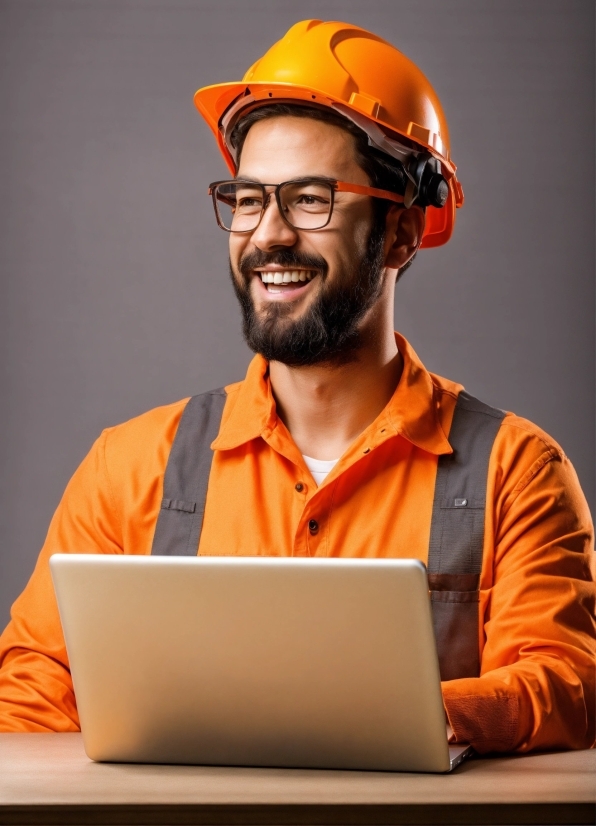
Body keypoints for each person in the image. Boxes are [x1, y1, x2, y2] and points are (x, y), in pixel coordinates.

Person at [0, 19, 594, 753]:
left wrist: (381, 711)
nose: (269, 234)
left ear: (401, 234)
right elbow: (31, 696)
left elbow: (563, 685)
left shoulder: (517, 472)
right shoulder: (130, 470)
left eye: (311, 198)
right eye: (248, 200)